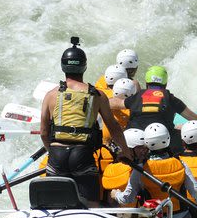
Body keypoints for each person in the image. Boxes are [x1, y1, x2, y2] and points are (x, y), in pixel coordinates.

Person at [40, 39, 131, 205]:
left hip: (57, 155)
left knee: (55, 205)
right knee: (92, 204)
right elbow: (114, 128)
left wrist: (52, 151)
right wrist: (126, 151)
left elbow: (44, 133)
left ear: (63, 67)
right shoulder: (97, 95)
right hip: (82, 155)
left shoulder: (51, 95)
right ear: (84, 67)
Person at [111, 123, 197, 218]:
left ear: (146, 142)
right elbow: (196, 190)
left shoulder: (140, 169)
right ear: (168, 139)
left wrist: (116, 194)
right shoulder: (180, 163)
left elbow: (127, 199)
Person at [111, 65, 197, 154]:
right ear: (165, 84)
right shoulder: (170, 99)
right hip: (160, 141)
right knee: (179, 134)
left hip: (135, 140)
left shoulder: (138, 96)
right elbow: (193, 118)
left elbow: (116, 103)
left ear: (147, 83)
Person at [101, 128, 147, 207]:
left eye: (144, 147)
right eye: (140, 148)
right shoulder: (142, 165)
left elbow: (126, 199)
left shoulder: (141, 167)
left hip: (139, 213)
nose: (144, 151)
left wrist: (116, 194)